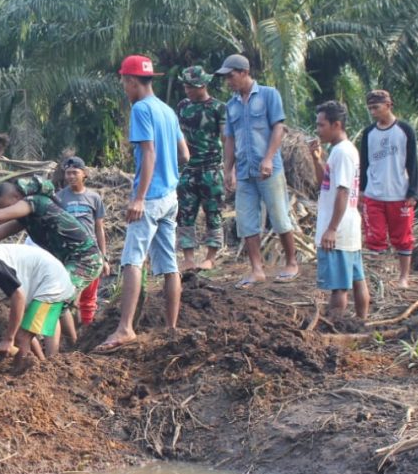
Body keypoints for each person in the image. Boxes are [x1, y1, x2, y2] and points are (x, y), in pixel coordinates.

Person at [95, 55, 188, 353]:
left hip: (150, 198)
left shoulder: (141, 110)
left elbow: (148, 154)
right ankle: (171, 328)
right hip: (170, 196)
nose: (124, 87)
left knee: (132, 260)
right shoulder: (167, 110)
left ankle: (125, 328)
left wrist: (139, 198)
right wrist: (169, 176)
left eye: (124, 81)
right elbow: (184, 154)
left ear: (132, 81)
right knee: (169, 264)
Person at [0, 178, 102, 346]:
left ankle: (52, 360)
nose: (2, 209)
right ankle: (72, 347)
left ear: (15, 196)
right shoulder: (26, 217)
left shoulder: (35, 202)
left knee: (51, 302)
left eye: (2, 204)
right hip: (66, 262)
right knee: (54, 302)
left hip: (85, 259)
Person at [216, 54, 299, 288]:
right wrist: (228, 170)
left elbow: (278, 127)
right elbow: (230, 140)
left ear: (244, 72)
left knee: (279, 214)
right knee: (246, 220)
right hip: (244, 170)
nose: (228, 82)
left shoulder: (268, 95)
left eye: (231, 76)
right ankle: (257, 269)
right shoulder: (231, 105)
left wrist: (269, 158)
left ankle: (292, 262)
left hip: (268, 169)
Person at [310, 101, 369, 319]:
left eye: (322, 125)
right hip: (348, 224)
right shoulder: (338, 152)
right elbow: (324, 183)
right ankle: (362, 322)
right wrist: (317, 160)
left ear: (336, 125)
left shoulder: (343, 152)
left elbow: (343, 192)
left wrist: (332, 228)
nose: (318, 129)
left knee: (339, 286)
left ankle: (336, 325)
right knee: (356, 277)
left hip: (340, 226)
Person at [359, 90, 418, 288]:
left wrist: (413, 192)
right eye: (370, 108)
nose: (373, 112)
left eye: (376, 107)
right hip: (374, 195)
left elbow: (412, 163)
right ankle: (378, 280)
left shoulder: (405, 130)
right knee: (374, 238)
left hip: (399, 194)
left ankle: (403, 277)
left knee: (403, 238)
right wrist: (362, 190)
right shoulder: (368, 133)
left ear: (388, 105)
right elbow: (364, 163)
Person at [175, 65, 227, 272]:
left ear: (203, 85)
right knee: (185, 213)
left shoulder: (218, 108)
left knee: (213, 212)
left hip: (212, 169)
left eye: (192, 86)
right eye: (186, 86)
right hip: (188, 168)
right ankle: (188, 257)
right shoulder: (182, 106)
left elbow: (225, 137)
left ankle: (211, 257)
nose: (188, 90)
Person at [54, 156, 110, 326]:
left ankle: (86, 329)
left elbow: (99, 228)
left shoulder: (94, 198)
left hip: (91, 253)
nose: (70, 176)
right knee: (67, 294)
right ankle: (68, 333)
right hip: (68, 253)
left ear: (84, 174)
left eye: (74, 173)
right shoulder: (59, 198)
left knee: (89, 296)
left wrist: (104, 257)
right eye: (67, 173)